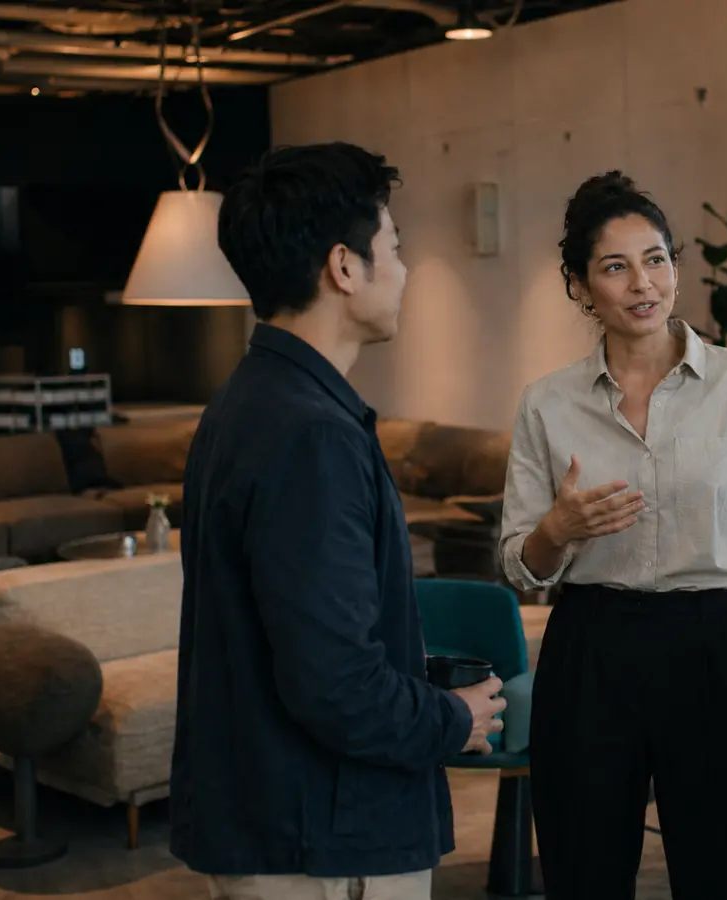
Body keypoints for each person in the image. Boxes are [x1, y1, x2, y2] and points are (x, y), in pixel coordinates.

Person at [170, 142, 507, 900]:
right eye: (394, 246)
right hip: (323, 838)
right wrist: (449, 719)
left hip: (286, 819)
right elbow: (334, 683)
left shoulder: (250, 401)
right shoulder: (309, 434)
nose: (406, 268)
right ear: (344, 267)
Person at [498, 171, 727, 900]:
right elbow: (518, 565)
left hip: (713, 642)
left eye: (657, 259)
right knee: (584, 869)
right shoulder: (548, 403)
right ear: (580, 285)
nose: (644, 283)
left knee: (724, 873)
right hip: (592, 647)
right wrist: (557, 530)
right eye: (615, 266)